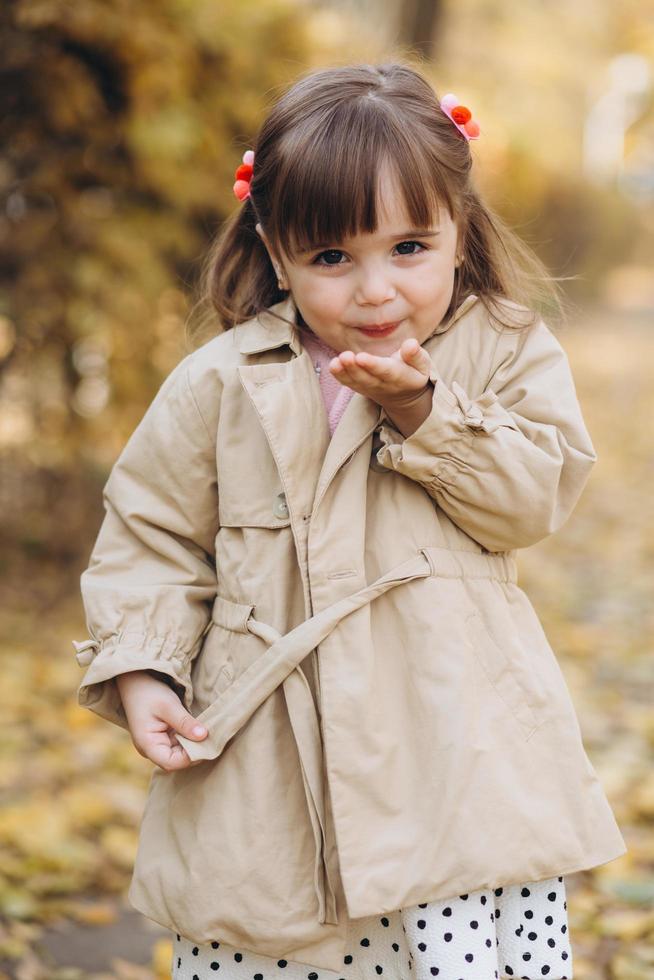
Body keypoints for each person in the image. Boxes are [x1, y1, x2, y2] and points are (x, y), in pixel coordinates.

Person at [72, 62, 627, 980]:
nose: (375, 292)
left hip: (455, 756)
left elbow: (534, 498)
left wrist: (428, 412)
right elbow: (149, 535)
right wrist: (143, 671)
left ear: (459, 229)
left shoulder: (502, 349)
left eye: (409, 247)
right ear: (277, 250)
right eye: (333, 258)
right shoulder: (224, 382)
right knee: (280, 941)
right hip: (273, 771)